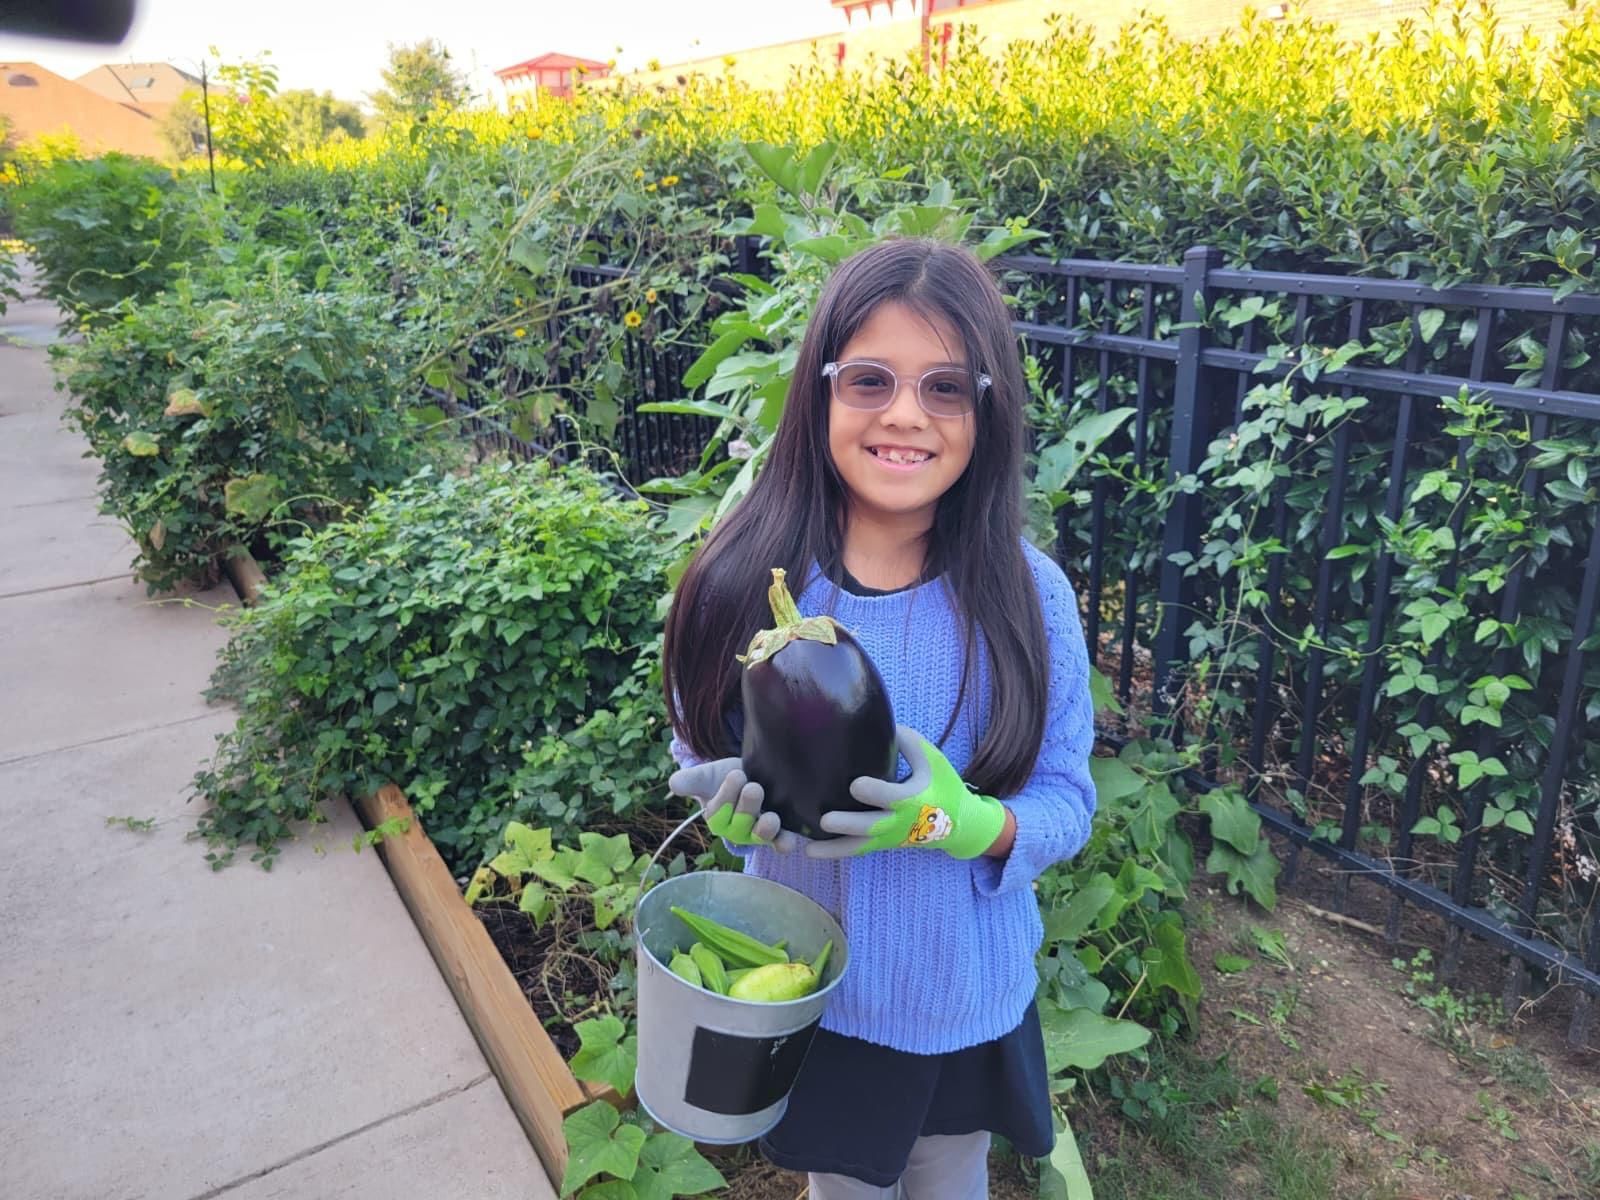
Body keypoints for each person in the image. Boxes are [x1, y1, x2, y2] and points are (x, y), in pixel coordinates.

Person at [660, 237, 1097, 1199]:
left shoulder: (1031, 597)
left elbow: (1067, 798)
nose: (905, 414)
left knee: (950, 1173)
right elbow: (698, 739)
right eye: (870, 379)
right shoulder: (743, 583)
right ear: (818, 392)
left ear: (988, 408)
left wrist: (962, 824)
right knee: (842, 1188)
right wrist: (718, 796)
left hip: (961, 997)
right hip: (815, 992)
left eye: (945, 387)